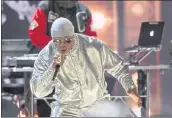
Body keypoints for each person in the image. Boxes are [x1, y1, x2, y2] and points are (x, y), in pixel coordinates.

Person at [30, 17, 142, 117]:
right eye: (57, 41)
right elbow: (38, 92)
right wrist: (52, 70)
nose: (62, 45)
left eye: (67, 40)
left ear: (73, 36)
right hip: (67, 109)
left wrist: (130, 87)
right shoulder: (47, 54)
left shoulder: (93, 46)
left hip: (98, 105)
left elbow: (118, 66)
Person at [28, 1, 97, 116]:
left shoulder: (83, 10)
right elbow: (34, 34)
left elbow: (91, 36)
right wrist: (59, 47)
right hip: (49, 64)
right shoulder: (45, 7)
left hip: (75, 68)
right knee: (46, 103)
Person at [28, 0, 97, 53]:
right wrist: (59, 46)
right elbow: (35, 34)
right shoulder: (44, 8)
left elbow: (90, 37)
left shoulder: (84, 11)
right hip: (44, 55)